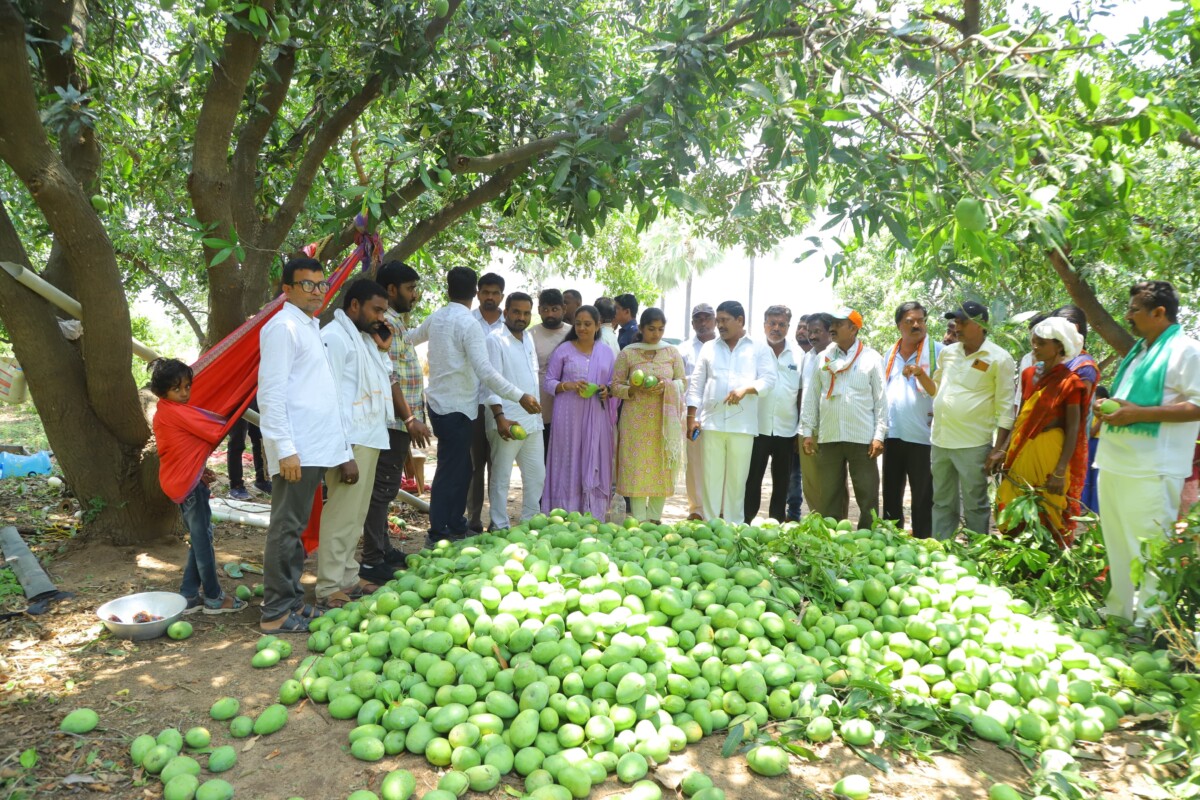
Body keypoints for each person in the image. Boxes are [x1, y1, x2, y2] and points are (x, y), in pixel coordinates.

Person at [406, 267, 540, 542]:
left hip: (442, 405)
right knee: (450, 470)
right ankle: (438, 532)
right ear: (474, 294)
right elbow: (486, 372)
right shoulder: (468, 323)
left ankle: (456, 524)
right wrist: (520, 396)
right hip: (457, 408)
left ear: (448, 290)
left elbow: (408, 339)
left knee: (463, 468)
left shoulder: (438, 317)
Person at [1094, 280, 1200, 626]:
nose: (1127, 316)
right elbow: (1127, 401)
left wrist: (1137, 413)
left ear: (1159, 313)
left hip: (1153, 467)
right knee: (1117, 544)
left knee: (1153, 548)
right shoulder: (1139, 352)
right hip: (1115, 461)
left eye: (1134, 310)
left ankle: (1152, 623)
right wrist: (1106, 409)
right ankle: (1119, 612)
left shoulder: (1186, 351)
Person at [258, 257, 353, 633]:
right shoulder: (282, 327)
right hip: (297, 447)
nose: (317, 291)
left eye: (321, 283)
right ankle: (276, 612)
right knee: (286, 527)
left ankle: (293, 601)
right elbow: (271, 393)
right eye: (307, 284)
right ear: (287, 290)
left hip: (314, 445)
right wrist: (285, 448)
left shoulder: (310, 325)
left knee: (295, 527)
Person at [314, 280, 394, 608]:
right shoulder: (334, 336)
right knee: (341, 516)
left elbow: (382, 379)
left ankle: (348, 577)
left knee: (356, 515)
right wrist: (343, 451)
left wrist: (382, 348)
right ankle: (329, 586)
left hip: (369, 436)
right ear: (354, 306)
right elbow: (328, 395)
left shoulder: (363, 338)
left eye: (383, 311)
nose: (380, 317)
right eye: (376, 309)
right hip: (350, 441)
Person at [150, 359, 246, 615]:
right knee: (203, 540)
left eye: (187, 387)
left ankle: (189, 594)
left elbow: (183, 448)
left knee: (200, 536)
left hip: (184, 480)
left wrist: (200, 468)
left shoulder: (166, 410)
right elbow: (215, 429)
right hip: (187, 484)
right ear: (162, 392)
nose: (184, 393)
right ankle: (214, 597)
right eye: (177, 389)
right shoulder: (177, 412)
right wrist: (240, 398)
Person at [361, 261, 431, 582]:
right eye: (410, 289)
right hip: (392, 421)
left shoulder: (395, 322)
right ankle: (373, 559)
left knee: (385, 490)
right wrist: (410, 418)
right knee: (381, 491)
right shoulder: (383, 323)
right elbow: (389, 376)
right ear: (391, 290)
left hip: (400, 422)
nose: (414, 296)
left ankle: (383, 548)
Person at [928, 300, 1016, 540]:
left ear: (982, 324)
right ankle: (942, 550)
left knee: (975, 504)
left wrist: (999, 450)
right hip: (940, 440)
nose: (957, 327)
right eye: (956, 321)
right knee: (942, 501)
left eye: (963, 322)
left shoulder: (999, 358)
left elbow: (1007, 409)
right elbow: (937, 389)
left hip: (973, 444)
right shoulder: (947, 353)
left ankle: (977, 554)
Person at [996, 317, 1088, 545]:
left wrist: (1059, 471)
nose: (1035, 347)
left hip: (1050, 453)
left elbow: (1073, 427)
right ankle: (1016, 559)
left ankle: (1046, 567)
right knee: (1012, 500)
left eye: (1042, 343)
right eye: (1034, 342)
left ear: (1059, 346)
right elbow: (1022, 416)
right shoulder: (1028, 375)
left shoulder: (1070, 382)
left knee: (1047, 509)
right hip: (1023, 449)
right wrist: (1003, 450)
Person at [686, 301, 775, 524]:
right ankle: (710, 525)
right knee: (710, 478)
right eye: (719, 321)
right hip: (712, 424)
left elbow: (769, 379)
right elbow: (696, 385)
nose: (719, 325)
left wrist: (747, 389)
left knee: (737, 481)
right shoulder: (709, 348)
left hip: (742, 426)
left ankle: (734, 527)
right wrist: (691, 418)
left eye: (725, 320)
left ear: (740, 321)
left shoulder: (758, 347)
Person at [800, 309, 887, 530]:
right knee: (828, 494)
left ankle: (869, 537)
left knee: (867, 495)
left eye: (839, 323)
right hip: (829, 436)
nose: (832, 327)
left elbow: (881, 401)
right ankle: (832, 537)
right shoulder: (824, 358)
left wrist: (879, 435)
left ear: (853, 329)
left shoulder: (871, 358)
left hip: (862, 438)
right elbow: (812, 397)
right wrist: (808, 431)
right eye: (832, 323)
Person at [542, 305, 618, 517]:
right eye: (578, 324)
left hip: (597, 415)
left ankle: (593, 513)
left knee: (593, 458)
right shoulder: (563, 350)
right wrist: (569, 386)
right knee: (569, 458)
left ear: (596, 326)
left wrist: (606, 390)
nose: (582, 328)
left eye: (587, 324)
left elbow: (613, 383)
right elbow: (548, 382)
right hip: (568, 417)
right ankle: (563, 512)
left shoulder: (606, 352)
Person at [612, 308, 686, 522]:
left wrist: (668, 386)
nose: (656, 334)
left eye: (661, 329)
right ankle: (639, 520)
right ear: (642, 328)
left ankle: (655, 519)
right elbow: (615, 385)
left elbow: (683, 381)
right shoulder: (628, 352)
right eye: (651, 329)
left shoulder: (672, 352)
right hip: (636, 420)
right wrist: (633, 390)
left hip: (663, 421)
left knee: (661, 466)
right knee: (636, 467)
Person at [485, 292, 546, 530]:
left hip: (532, 420)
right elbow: (490, 381)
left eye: (526, 313)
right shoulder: (495, 339)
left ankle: (531, 523)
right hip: (507, 420)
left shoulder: (528, 338)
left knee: (536, 476)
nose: (521, 317)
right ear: (506, 312)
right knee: (501, 478)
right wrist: (499, 418)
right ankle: (499, 526)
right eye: (517, 312)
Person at [881, 302, 942, 538]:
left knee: (923, 497)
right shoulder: (890, 354)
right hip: (893, 434)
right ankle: (891, 540)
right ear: (899, 325)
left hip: (923, 436)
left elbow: (940, 390)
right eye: (910, 321)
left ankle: (923, 542)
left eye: (921, 320)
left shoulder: (938, 352)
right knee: (891, 494)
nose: (916, 324)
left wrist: (921, 373)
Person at [744, 305, 801, 522]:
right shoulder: (753, 351)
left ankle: (776, 524)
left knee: (782, 482)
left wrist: (799, 429)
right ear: (764, 324)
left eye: (781, 324)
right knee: (752, 479)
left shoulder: (799, 355)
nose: (776, 328)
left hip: (786, 430)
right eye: (772, 323)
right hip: (756, 427)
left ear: (788, 327)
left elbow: (801, 393)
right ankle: (746, 521)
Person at [467, 272, 506, 533]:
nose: (490, 297)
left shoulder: (510, 325)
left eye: (495, 293)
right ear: (478, 294)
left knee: (498, 466)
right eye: (486, 292)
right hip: (472, 403)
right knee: (473, 465)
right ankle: (472, 521)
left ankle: (498, 519)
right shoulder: (468, 322)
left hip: (501, 407)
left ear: (501, 295)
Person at [796, 313, 835, 519]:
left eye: (817, 331)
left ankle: (836, 524)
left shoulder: (837, 355)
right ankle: (816, 523)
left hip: (830, 429)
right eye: (810, 331)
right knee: (810, 482)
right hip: (806, 429)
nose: (812, 336)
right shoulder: (807, 357)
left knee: (832, 482)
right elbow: (802, 394)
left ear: (830, 332)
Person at [680, 303, 717, 520]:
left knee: (718, 462)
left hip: (718, 415)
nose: (703, 322)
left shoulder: (723, 347)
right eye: (698, 318)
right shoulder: (683, 349)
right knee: (694, 464)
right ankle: (696, 509)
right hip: (692, 415)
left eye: (707, 318)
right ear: (693, 323)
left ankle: (717, 509)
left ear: (714, 320)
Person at [531, 289, 572, 461]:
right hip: (540, 407)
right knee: (543, 459)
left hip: (569, 406)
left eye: (554, 309)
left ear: (564, 308)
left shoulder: (574, 333)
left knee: (565, 459)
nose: (550, 314)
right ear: (539, 310)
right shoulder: (529, 335)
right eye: (545, 309)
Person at [226, 398, 269, 500]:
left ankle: (262, 481)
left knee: (260, 438)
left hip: (255, 394)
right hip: (238, 395)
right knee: (237, 440)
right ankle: (236, 485)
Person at [1079, 385, 1107, 513]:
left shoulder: (1101, 414)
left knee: (1094, 477)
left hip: (1097, 444)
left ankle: (1092, 508)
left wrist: (1101, 418)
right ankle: (1086, 507)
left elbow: (1091, 432)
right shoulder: (1093, 413)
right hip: (1095, 444)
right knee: (1089, 476)